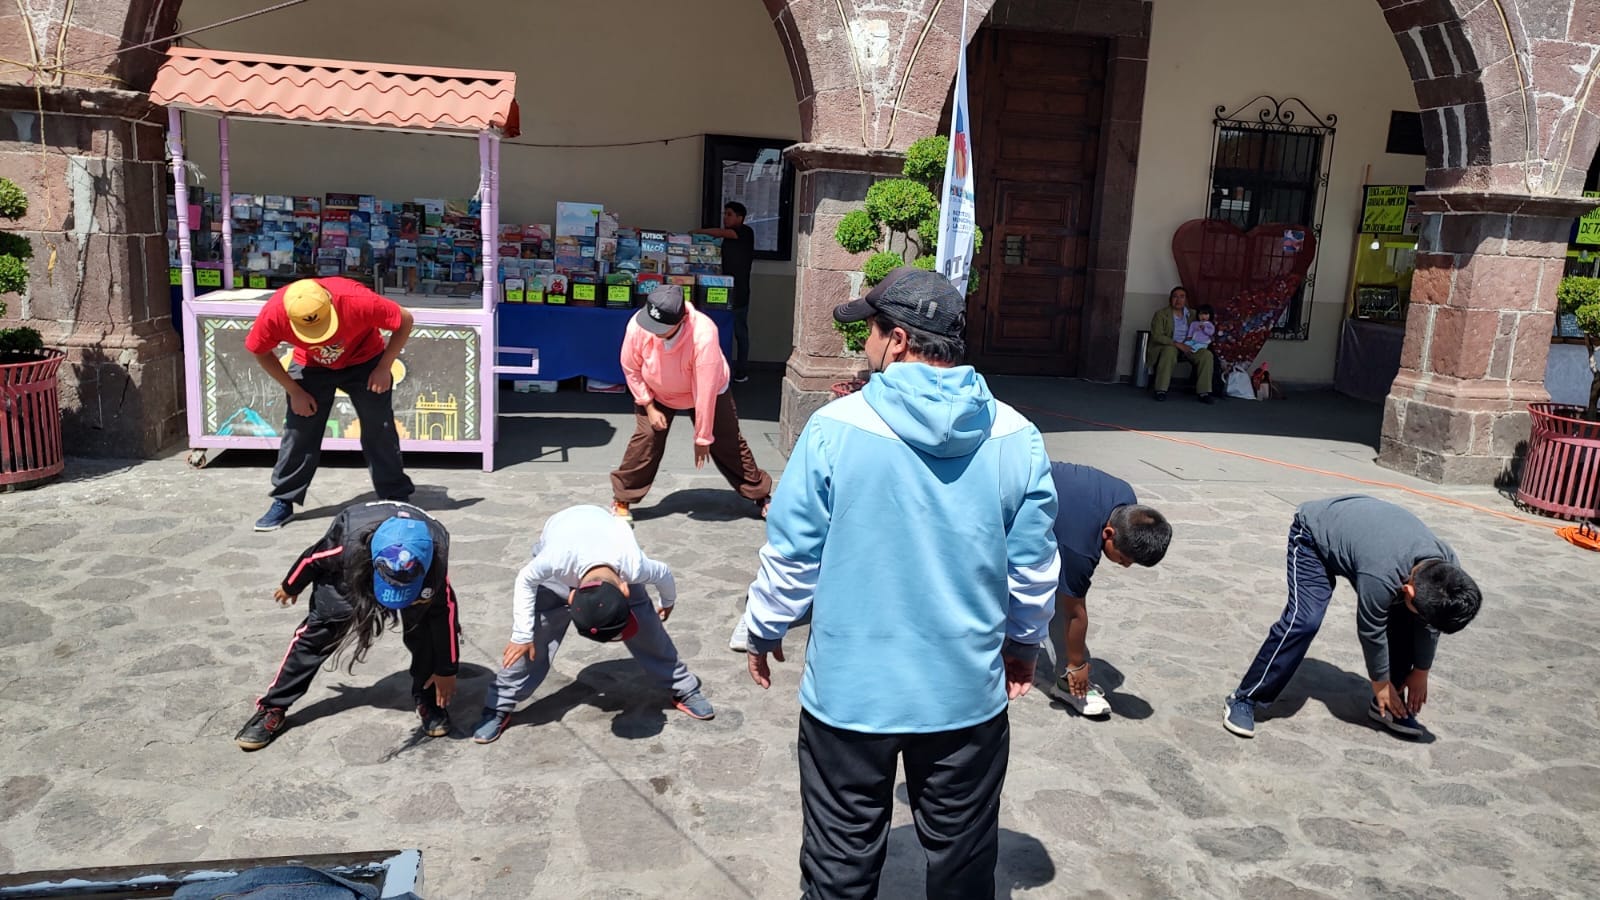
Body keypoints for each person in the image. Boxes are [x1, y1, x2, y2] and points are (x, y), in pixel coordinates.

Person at [743, 266, 1060, 899]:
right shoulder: (1017, 435)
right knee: (964, 859)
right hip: (964, 693)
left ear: (897, 341)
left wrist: (764, 624)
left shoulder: (836, 428)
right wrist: (1025, 644)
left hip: (851, 692)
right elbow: (1033, 569)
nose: (863, 344)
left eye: (869, 331)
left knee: (840, 858)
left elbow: (793, 552)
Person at [1223, 494, 1482, 740]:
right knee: (1304, 621)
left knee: (1409, 619)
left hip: (1366, 534)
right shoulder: (1381, 575)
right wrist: (1379, 683)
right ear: (1409, 589)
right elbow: (1372, 631)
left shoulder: (1448, 569)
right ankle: (1245, 698)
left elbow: (1429, 625)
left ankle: (1385, 707)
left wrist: (1421, 670)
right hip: (1313, 534)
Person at [472, 504, 714, 743]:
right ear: (570, 597)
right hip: (561, 539)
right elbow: (525, 579)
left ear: (625, 588)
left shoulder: (634, 566)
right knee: (534, 639)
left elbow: (664, 573)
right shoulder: (553, 562)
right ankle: (498, 705)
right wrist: (522, 635)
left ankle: (683, 687)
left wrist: (667, 600)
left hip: (606, 546)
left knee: (648, 628)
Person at [234, 501, 458, 751]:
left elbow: (445, 613)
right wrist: (291, 585)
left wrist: (447, 669)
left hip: (414, 578)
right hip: (353, 573)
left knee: (426, 634)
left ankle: (427, 698)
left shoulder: (435, 555)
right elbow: (313, 558)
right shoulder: (350, 542)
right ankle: (272, 707)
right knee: (319, 633)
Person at [245, 277, 416, 531]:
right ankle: (284, 499)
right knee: (299, 431)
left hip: (365, 360)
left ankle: (395, 496)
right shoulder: (275, 312)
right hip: (310, 366)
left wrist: (384, 366)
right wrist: (294, 390)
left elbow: (404, 320)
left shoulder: (357, 300)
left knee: (378, 427)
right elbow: (259, 350)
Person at [610, 282, 772, 523]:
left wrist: (703, 437)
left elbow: (705, 391)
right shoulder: (639, 323)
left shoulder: (703, 334)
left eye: (660, 327)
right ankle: (622, 498)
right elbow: (631, 367)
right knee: (647, 438)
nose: (652, 330)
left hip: (706, 390)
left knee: (727, 442)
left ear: (681, 320)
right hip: (657, 390)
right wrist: (649, 406)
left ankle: (762, 495)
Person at [1044, 462, 1172, 718]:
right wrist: (1077, 664)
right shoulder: (1080, 546)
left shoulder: (1126, 500)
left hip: (1042, 491)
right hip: (1002, 503)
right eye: (1125, 558)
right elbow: (1073, 612)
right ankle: (1067, 683)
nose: (1125, 565)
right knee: (1062, 603)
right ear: (1109, 533)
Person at [692, 201, 756, 382]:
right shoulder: (727, 239)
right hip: (720, 289)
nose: (725, 217)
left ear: (740, 217)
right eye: (725, 213)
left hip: (739, 292)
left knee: (740, 331)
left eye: (729, 214)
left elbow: (721, 232)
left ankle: (741, 371)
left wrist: (699, 232)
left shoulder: (745, 232)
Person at [1148, 286, 1215, 404]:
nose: (1178, 300)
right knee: (1169, 351)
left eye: (1182, 297)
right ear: (1170, 299)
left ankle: (1204, 392)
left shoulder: (1193, 314)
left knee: (1206, 355)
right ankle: (1161, 390)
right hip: (1171, 346)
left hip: (1191, 346)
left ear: (1186, 300)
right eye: (1175, 297)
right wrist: (1177, 344)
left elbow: (1207, 324)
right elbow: (1157, 335)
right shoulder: (1161, 314)